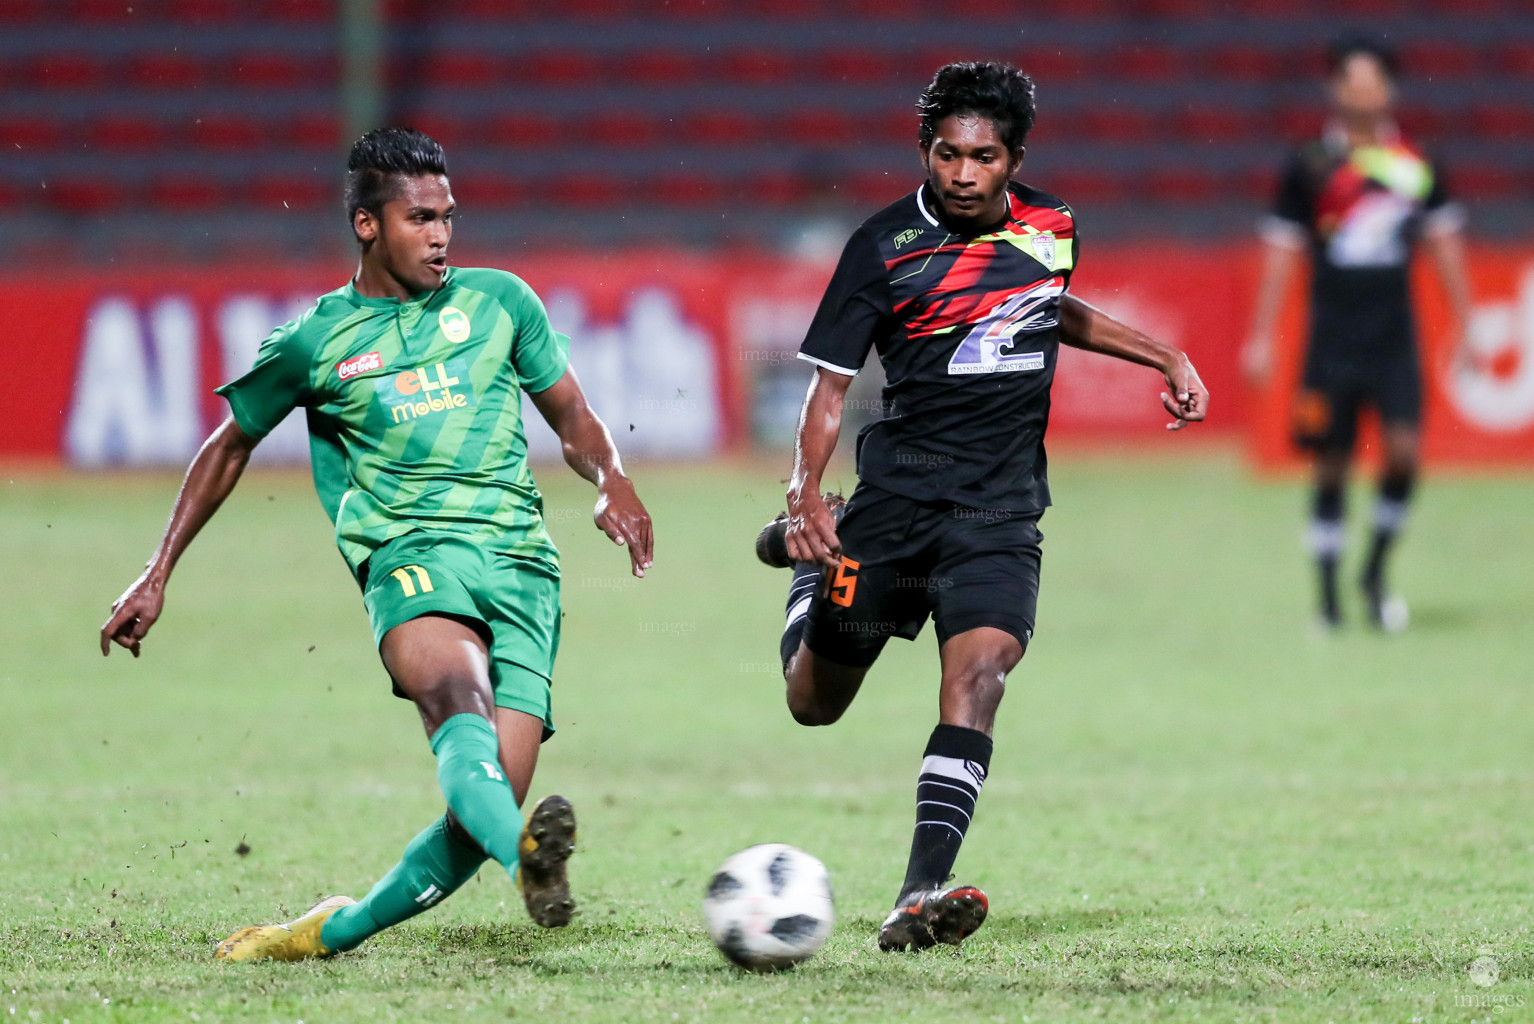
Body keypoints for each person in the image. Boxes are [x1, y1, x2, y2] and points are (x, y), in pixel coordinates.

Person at [100, 127, 655, 961]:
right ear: (368, 225)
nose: (441, 236)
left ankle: (331, 930)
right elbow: (228, 446)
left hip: (523, 565)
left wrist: (610, 476)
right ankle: (530, 858)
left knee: (483, 811)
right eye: (420, 219)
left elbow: (572, 416)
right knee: (459, 709)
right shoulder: (316, 342)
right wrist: (157, 571)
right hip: (409, 557)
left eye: (449, 217)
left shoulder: (502, 302)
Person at [754, 62, 1208, 951]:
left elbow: (1049, 308)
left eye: (983, 157)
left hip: (999, 511)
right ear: (925, 153)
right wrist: (806, 495)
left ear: (1014, 160)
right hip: (895, 504)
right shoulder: (881, 248)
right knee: (813, 703)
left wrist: (1162, 354)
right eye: (948, 155)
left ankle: (921, 889)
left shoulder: (1054, 226)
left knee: (980, 675)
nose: (963, 174)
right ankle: (807, 574)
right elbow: (829, 391)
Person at [1242, 35, 1471, 631]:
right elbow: (1283, 252)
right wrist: (1262, 335)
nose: (1364, 91)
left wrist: (1468, 324)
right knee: (1330, 467)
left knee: (1402, 454)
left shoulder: (1417, 163)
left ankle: (1373, 572)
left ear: (1389, 90)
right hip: (1331, 345)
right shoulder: (1310, 164)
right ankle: (1327, 598)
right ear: (1335, 88)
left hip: (1395, 340)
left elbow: (1445, 245)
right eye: (1353, 80)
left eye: (1374, 80)